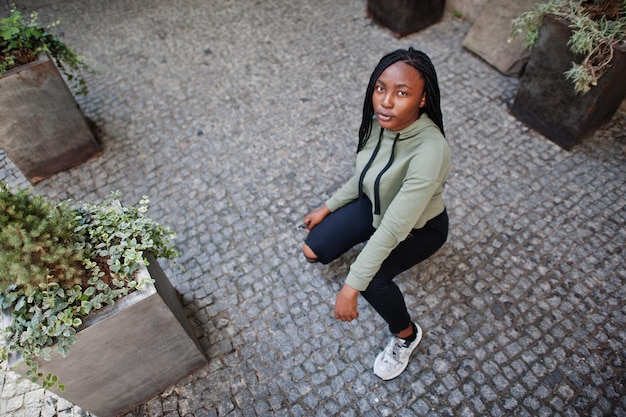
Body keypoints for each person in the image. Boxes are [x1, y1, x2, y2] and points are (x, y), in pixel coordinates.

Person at [301, 47, 450, 380]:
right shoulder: (380, 122)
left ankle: (407, 335)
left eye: (402, 93)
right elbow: (365, 175)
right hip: (374, 204)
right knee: (312, 250)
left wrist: (350, 286)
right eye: (381, 88)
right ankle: (357, 245)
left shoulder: (430, 151)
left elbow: (395, 226)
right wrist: (328, 206)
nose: (385, 101)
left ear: (423, 99)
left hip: (417, 228)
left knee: (371, 283)